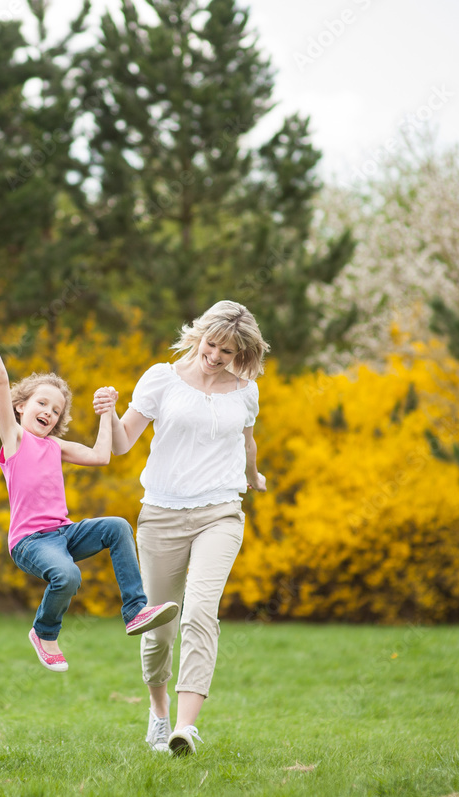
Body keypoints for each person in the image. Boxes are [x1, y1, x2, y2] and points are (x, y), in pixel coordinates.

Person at [108, 300, 269, 755]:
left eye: (227, 350)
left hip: (220, 511)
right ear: (198, 335)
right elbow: (123, 444)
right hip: (160, 515)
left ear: (242, 352)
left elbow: (247, 441)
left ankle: (185, 727)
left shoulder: (246, 390)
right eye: (212, 344)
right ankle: (159, 713)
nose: (215, 355)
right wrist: (109, 413)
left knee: (201, 611)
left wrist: (253, 477)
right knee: (160, 628)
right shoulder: (161, 378)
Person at [0, 324, 178, 673]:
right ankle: (44, 632)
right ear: (20, 407)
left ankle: (134, 611)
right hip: (30, 541)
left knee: (116, 526)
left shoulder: (56, 446)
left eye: (56, 410)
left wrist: (106, 413)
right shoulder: (14, 437)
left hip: (63, 535)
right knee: (67, 576)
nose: (49, 412)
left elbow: (101, 456)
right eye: (42, 403)